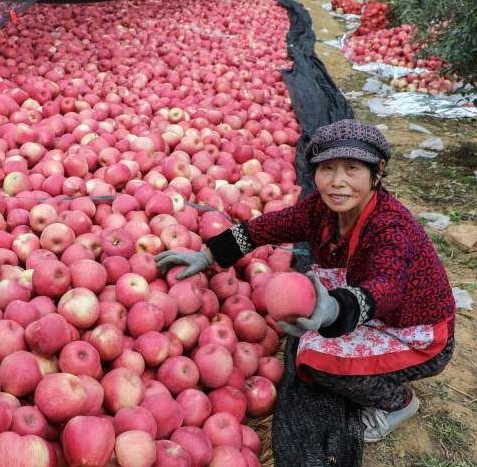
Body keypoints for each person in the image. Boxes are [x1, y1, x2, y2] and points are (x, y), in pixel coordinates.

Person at [155, 119, 455, 442]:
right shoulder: (320, 211)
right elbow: (266, 227)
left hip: (417, 333)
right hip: (373, 316)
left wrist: (334, 310)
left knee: (317, 360)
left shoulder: (389, 228)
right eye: (327, 169)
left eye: (352, 168)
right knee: (311, 339)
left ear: (377, 172)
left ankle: (398, 403)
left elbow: (387, 288)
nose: (338, 182)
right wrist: (209, 255)